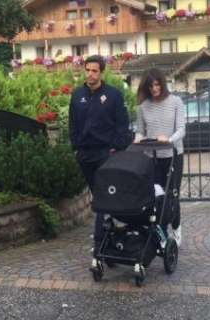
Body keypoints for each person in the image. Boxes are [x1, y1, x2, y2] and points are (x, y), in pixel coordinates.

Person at [69, 55, 131, 251]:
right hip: (85, 155)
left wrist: (116, 147)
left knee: (103, 196)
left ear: (101, 72)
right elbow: (72, 124)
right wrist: (76, 147)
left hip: (106, 154)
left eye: (94, 71)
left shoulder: (113, 95)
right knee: (99, 195)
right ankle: (109, 233)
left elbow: (122, 125)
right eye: (87, 70)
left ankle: (100, 242)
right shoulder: (78, 95)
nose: (90, 74)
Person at [134, 68, 185, 247]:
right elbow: (140, 130)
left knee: (172, 195)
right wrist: (138, 137)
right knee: (156, 195)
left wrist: (168, 140)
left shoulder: (176, 102)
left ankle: (176, 229)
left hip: (173, 155)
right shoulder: (142, 107)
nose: (154, 89)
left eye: (157, 85)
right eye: (150, 86)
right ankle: (161, 233)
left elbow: (181, 129)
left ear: (162, 84)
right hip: (152, 157)